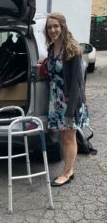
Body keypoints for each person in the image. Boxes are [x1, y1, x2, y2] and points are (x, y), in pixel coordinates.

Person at [43, 12, 89, 187]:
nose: (53, 30)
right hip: (56, 101)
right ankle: (69, 169)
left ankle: (67, 173)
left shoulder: (72, 48)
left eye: (56, 26)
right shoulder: (52, 48)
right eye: (49, 27)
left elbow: (77, 83)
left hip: (69, 101)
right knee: (64, 137)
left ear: (63, 27)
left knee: (69, 138)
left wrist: (71, 109)